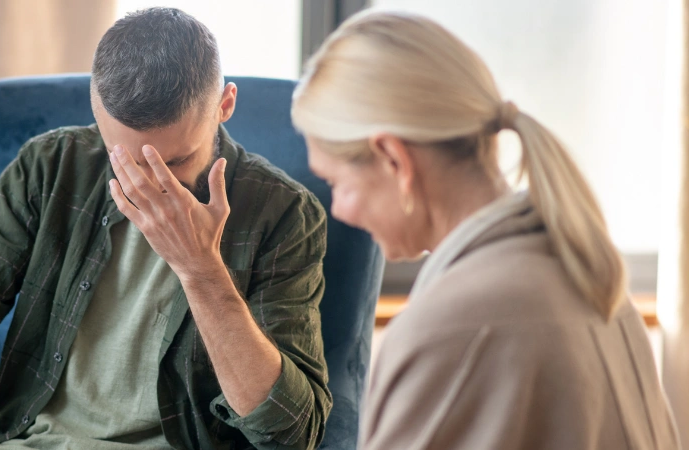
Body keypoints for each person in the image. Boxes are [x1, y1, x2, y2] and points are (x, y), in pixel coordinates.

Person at [0, 8, 332, 450]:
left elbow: (290, 433)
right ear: (97, 111)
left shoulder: (285, 214)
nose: (147, 181)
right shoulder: (49, 168)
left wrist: (201, 271)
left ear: (224, 106)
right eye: (126, 157)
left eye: (174, 161)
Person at [292, 10, 681, 450]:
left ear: (394, 161)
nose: (338, 210)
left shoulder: (450, 327)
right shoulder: (587, 274)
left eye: (336, 183)